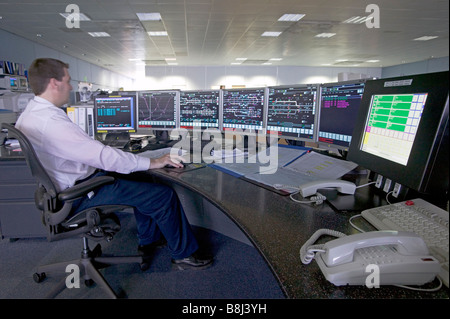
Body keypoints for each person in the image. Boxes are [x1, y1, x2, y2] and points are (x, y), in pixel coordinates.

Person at [15, 58, 212, 270]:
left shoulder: (31, 114)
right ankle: (184, 254)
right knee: (163, 196)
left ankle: (149, 240)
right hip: (81, 193)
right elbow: (102, 156)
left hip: (66, 189)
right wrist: (154, 161)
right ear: (54, 83)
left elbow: (87, 153)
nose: (71, 87)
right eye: (68, 80)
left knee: (140, 176)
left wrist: (142, 165)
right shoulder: (51, 123)